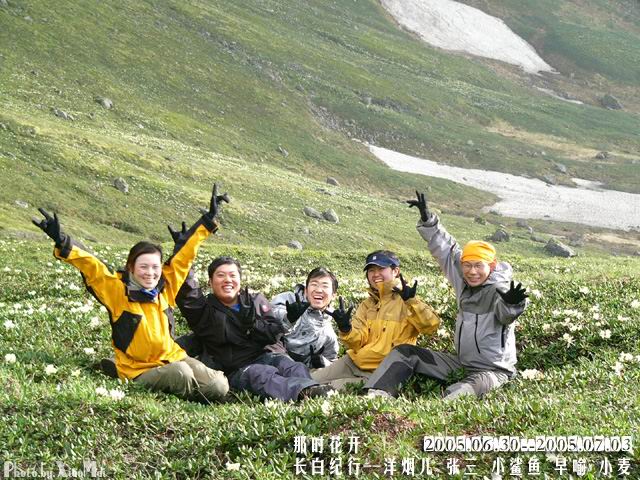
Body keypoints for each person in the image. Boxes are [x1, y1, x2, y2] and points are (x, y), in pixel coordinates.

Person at [31, 184, 230, 403]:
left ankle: (120, 369)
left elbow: (183, 257)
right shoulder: (117, 290)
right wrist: (62, 240)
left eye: (155, 267)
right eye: (143, 267)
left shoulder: (166, 286)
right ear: (131, 268)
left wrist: (207, 221)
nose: (150, 273)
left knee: (219, 385)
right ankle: (124, 372)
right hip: (138, 368)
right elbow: (92, 266)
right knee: (181, 374)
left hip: (172, 356)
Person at [365, 191, 529, 400]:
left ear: (492, 265)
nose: (472, 271)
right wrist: (428, 221)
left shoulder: (500, 289)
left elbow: (506, 315)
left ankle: (437, 409)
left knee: (459, 393)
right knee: (405, 352)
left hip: (494, 372)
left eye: (478, 266)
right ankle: (377, 396)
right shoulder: (464, 279)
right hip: (460, 364)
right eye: (467, 265)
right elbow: (447, 251)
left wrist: (512, 305)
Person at [175, 255, 334, 401]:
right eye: (221, 275)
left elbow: (272, 335)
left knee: (293, 367)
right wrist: (185, 255)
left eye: (232, 275)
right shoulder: (204, 311)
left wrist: (282, 320)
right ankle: (305, 393)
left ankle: (315, 391)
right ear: (210, 282)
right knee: (262, 375)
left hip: (267, 355)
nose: (228, 280)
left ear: (240, 280)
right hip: (238, 367)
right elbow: (188, 294)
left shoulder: (255, 300)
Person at [311, 250, 440, 390]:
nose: (375, 274)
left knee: (323, 390)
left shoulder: (408, 301)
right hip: (353, 362)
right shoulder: (367, 304)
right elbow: (357, 342)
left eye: (381, 268)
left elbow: (431, 327)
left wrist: (411, 301)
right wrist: (346, 329)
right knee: (308, 381)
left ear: (396, 271)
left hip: (380, 372)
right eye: (371, 270)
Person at [271, 267, 340, 369]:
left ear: (333, 295)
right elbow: (267, 322)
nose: (318, 290)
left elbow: (332, 362)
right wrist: (288, 318)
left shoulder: (328, 332)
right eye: (314, 284)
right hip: (271, 359)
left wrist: (322, 362)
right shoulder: (288, 300)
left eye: (325, 286)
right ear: (306, 290)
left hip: (298, 372)